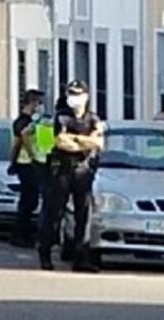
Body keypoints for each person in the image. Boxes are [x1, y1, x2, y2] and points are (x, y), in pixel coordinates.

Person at [37, 80, 104, 272]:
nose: (74, 98)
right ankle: (45, 253)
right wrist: (85, 141)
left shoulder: (93, 118)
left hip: (83, 170)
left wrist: (77, 140)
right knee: (54, 213)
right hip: (61, 171)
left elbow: (99, 143)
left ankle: (81, 258)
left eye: (77, 94)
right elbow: (61, 142)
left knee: (83, 215)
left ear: (86, 96)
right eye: (71, 94)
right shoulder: (62, 117)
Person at [9, 89, 46, 248]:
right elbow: (19, 142)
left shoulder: (33, 121)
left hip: (32, 163)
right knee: (28, 202)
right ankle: (20, 235)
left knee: (29, 201)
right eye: (39, 102)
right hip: (27, 164)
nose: (41, 106)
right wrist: (28, 157)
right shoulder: (23, 122)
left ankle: (23, 234)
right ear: (32, 103)